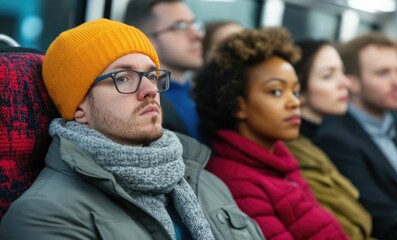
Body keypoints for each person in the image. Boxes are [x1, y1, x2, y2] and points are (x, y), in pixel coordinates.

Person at [0, 18, 265, 240]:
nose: (150, 90)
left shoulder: (201, 177)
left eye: (152, 76)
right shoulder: (45, 214)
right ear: (78, 107)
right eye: (123, 78)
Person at [194, 27, 348, 240]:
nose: (295, 102)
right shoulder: (235, 180)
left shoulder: (280, 160)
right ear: (237, 105)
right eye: (276, 91)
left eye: (295, 91)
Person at [314, 33, 397, 240]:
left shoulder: (395, 126)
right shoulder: (336, 139)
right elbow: (384, 221)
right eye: (383, 73)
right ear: (353, 83)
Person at [285, 40, 373, 240]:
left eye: (342, 72)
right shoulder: (296, 151)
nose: (346, 83)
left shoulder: (314, 141)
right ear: (297, 88)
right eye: (328, 75)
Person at [124, 0, 204, 140]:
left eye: (194, 24)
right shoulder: (144, 105)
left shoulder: (201, 93)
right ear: (148, 41)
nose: (197, 35)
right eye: (180, 26)